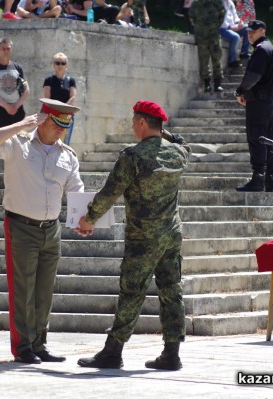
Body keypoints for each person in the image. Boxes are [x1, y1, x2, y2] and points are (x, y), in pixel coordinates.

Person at [76, 100, 190, 370]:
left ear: (141, 123)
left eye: (133, 122)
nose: (131, 127)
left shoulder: (132, 156)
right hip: (171, 234)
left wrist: (89, 218)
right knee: (172, 291)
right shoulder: (178, 154)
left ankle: (113, 351)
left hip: (143, 237)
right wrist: (165, 134)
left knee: (131, 292)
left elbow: (110, 192)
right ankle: (172, 353)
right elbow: (184, 143)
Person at [0, 98, 84, 364]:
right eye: (57, 124)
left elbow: (76, 190)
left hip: (52, 229)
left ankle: (40, 343)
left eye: (65, 125)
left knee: (44, 290)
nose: (61, 130)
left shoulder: (67, 155)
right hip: (21, 226)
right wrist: (20, 124)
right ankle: (23, 346)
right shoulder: (18, 143)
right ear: (43, 120)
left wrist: (86, 218)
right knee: (23, 289)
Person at [235, 20, 273, 192]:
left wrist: (240, 91)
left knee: (257, 137)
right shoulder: (270, 48)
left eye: (253, 32)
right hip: (267, 101)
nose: (249, 35)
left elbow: (253, 77)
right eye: (248, 32)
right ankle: (270, 179)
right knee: (268, 138)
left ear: (262, 31)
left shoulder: (261, 50)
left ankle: (258, 179)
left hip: (259, 102)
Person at [0, 38, 30, 174]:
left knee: (19, 139)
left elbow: (26, 89)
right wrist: (6, 106)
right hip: (0, 110)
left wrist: (16, 105)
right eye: (3, 48)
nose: (6, 51)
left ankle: (19, 166)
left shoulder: (17, 68)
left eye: (8, 48)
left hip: (17, 111)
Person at [189, 0, 225, 93]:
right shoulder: (196, 3)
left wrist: (214, 26)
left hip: (214, 35)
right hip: (201, 36)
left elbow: (222, 15)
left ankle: (217, 84)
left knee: (216, 59)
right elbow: (191, 17)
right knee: (204, 61)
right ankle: (207, 84)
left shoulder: (217, 3)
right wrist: (199, 27)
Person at [42, 53, 77, 143]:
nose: (60, 65)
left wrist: (63, 109)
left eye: (63, 63)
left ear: (66, 65)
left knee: (65, 142)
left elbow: (72, 97)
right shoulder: (48, 80)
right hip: (52, 115)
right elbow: (47, 99)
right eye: (57, 63)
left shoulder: (71, 81)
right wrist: (58, 111)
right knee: (49, 141)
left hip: (67, 116)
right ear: (53, 65)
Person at [219, 0, 250, 69]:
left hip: (231, 27)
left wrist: (240, 23)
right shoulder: (218, 3)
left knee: (248, 28)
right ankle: (232, 61)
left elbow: (235, 17)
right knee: (235, 37)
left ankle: (244, 53)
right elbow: (220, 21)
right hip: (222, 28)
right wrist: (231, 27)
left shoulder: (230, 3)